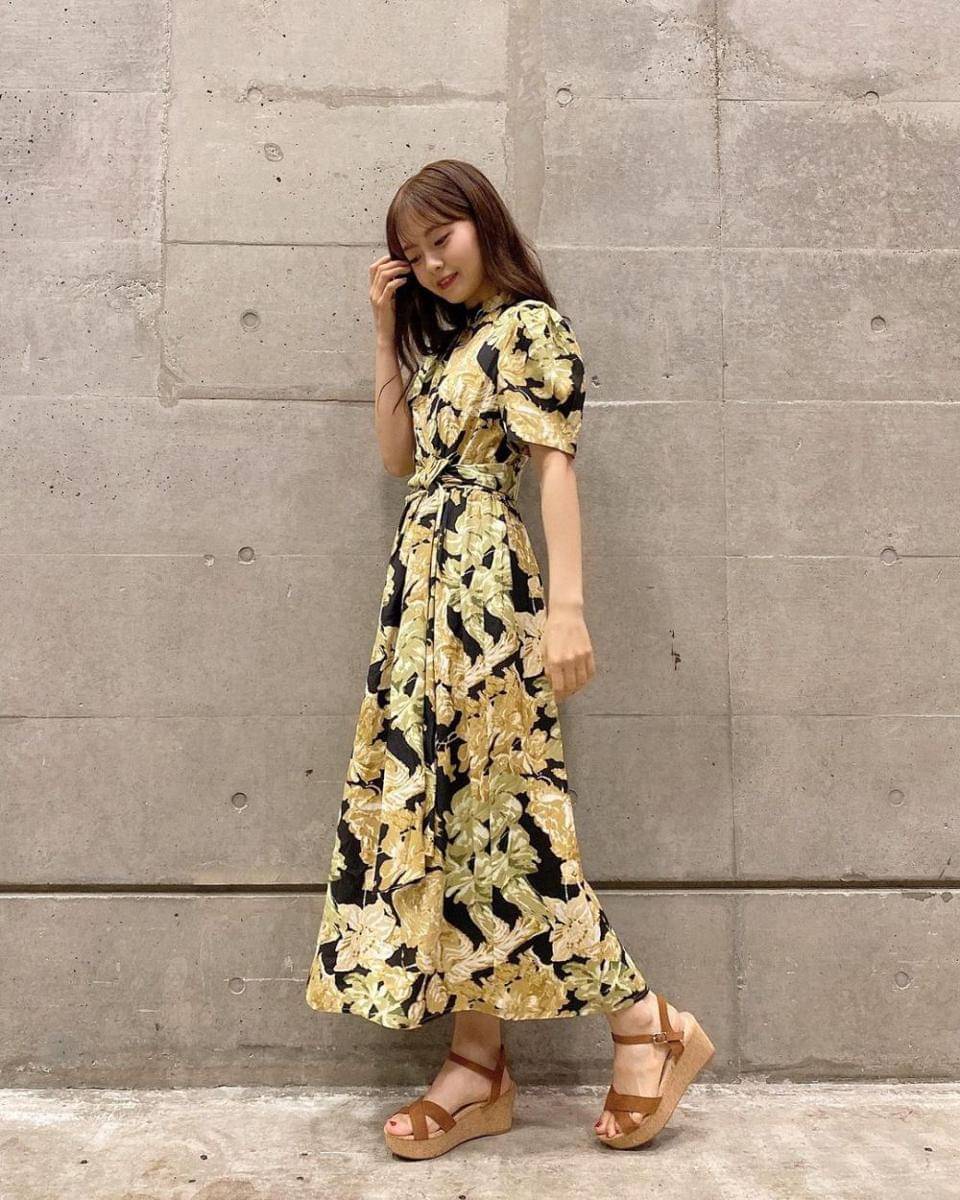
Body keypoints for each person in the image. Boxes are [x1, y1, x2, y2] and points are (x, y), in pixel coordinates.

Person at [304, 159, 714, 1158]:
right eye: (412, 254)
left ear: (483, 224)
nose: (430, 264)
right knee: (446, 823)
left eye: (440, 239)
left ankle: (646, 1021)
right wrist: (383, 331)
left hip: (486, 590)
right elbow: (399, 457)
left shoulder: (529, 328)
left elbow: (554, 470)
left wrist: (566, 610)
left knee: (507, 822)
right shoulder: (448, 349)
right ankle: (477, 1064)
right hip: (420, 600)